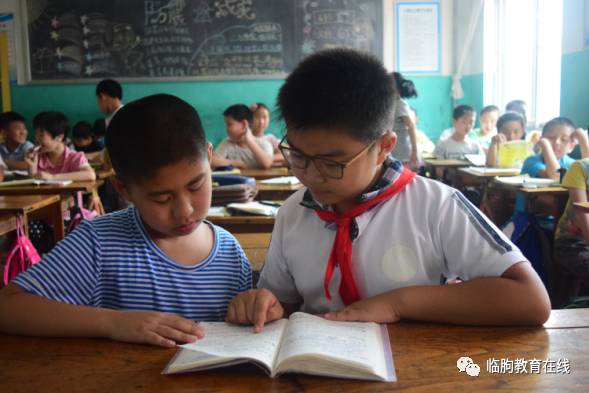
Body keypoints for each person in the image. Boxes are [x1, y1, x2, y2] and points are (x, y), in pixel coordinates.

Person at [224, 48, 550, 331]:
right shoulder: (294, 212)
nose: (310, 175)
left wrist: (399, 303)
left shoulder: (434, 205)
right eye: (298, 155)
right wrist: (267, 305)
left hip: (415, 372)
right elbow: (284, 302)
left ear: (384, 147)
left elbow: (530, 300)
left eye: (331, 162)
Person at [0, 94, 252, 347]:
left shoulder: (229, 253)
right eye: (162, 199)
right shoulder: (99, 242)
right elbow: (9, 306)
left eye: (196, 185)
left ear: (209, 158)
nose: (184, 211)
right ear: (123, 189)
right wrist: (113, 323)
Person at [25, 111, 96, 181]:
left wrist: (52, 177)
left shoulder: (74, 157)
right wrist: (32, 167)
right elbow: (34, 184)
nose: (36, 139)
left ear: (59, 137)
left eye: (41, 135)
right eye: (36, 134)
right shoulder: (39, 157)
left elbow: (90, 175)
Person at [213, 104, 273, 169]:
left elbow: (267, 164)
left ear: (244, 124)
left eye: (229, 124)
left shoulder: (264, 144)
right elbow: (212, 162)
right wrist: (237, 163)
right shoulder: (227, 143)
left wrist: (249, 141)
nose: (227, 129)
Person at [391, 72, 418, 168]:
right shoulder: (392, 103)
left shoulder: (400, 103)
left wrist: (414, 151)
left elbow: (411, 126)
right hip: (395, 152)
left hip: (402, 153)